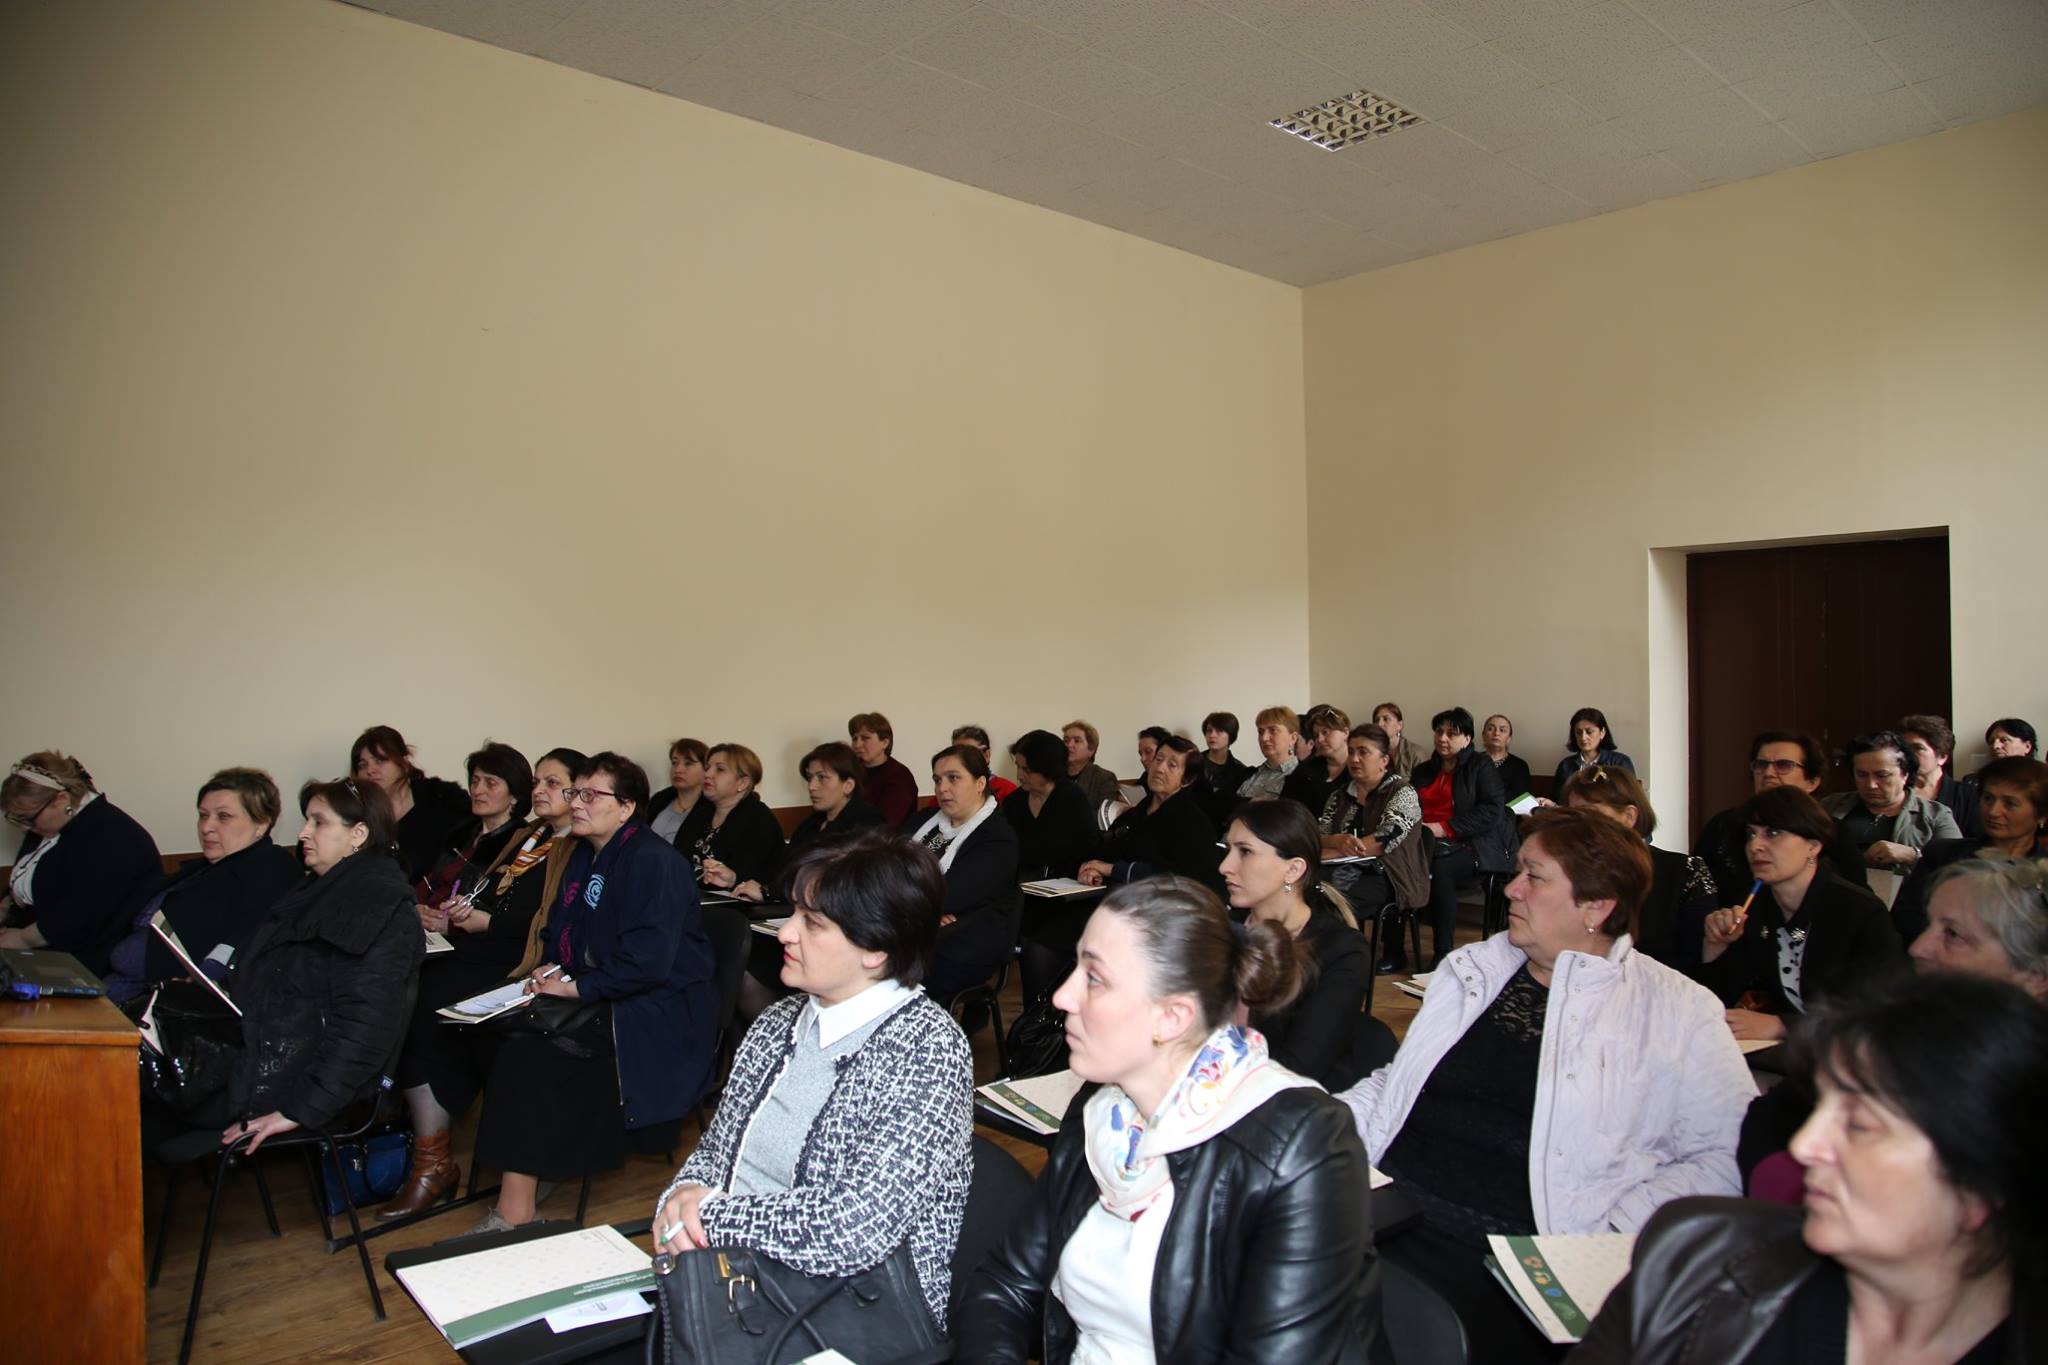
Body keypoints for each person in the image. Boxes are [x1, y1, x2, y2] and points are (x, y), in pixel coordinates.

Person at [1340, 808, 1754, 1365]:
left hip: (1520, 1253)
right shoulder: (1472, 970)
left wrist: (1610, 1225)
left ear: (1596, 906)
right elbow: (1398, 1085)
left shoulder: (1676, 1010)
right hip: (1390, 1210)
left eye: (1533, 877)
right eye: (1518, 872)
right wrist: (1322, 1126)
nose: (1512, 888)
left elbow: (1722, 1156)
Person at [956, 878, 1379, 1363]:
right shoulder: (1104, 1105)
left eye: (1094, 978)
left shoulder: (1302, 1148)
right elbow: (1007, 1284)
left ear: (1172, 1017)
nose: (1063, 997)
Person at [1571, 974, 2044, 1365]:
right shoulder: (1691, 1263)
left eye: (1858, 1124)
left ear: (1981, 1184)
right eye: (1819, 1108)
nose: (1804, 1146)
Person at [651, 831, 973, 1334]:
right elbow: (717, 1151)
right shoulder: (777, 1022)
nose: (785, 933)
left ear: (876, 948)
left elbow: (855, 1228)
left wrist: (710, 1217)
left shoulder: (927, 1048)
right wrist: (682, 1194)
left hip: (856, 1315)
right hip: (735, 1282)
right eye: (794, 914)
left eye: (812, 923)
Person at [471, 752, 718, 1232]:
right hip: (606, 989)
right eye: (574, 793)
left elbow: (648, 963)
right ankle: (534, 1166)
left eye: (589, 795)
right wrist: (551, 968)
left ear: (626, 807)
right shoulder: (584, 853)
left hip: (656, 1009)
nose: (576, 804)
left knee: (529, 1051)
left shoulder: (654, 862)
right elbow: (561, 928)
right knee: (498, 1032)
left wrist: (578, 987)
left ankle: (516, 1212)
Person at [1737, 855, 2048, 1193]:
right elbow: (1770, 1117)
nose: (1918, 948)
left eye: (1953, 934)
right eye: (1928, 926)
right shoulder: (1895, 1037)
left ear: (2035, 976)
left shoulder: (2019, 1095)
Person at [151, 777, 421, 1154]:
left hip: (282, 1081)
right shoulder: (316, 890)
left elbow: (363, 1027)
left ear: (358, 834)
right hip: (261, 1053)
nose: (303, 833)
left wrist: (300, 1109)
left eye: (318, 822)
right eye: (307, 820)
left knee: (129, 1096)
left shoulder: (376, 907)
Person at [377, 747, 586, 1221]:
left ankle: (433, 1161)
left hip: (523, 963)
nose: (539, 791)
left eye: (552, 783)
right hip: (484, 948)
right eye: (538, 781)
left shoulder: (579, 845)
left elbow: (553, 923)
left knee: (427, 1001)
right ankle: (426, 1150)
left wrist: (488, 923)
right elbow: (493, 892)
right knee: (408, 982)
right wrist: (463, 914)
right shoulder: (532, 836)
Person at [1700, 787, 1905, 1042]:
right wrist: (1715, 948)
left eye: (1773, 833)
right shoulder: (1753, 905)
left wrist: (1785, 1026)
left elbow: (1882, 1013)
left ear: (1813, 846)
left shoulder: (1861, 911)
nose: (1755, 846)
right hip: (1787, 1053)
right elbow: (1718, 1002)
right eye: (1751, 834)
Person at [101, 768, 299, 1005]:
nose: (206, 827)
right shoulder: (204, 868)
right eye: (203, 815)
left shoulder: (273, 869)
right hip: (119, 988)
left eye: (223, 817)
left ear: (261, 824)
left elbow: (243, 943)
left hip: (161, 1005)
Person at [1220, 801, 1372, 1089]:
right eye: (1227, 850)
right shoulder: (1221, 927)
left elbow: (1300, 1067)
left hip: (1272, 1100)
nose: (1224, 866)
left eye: (1245, 852)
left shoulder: (1340, 951)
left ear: (1293, 869)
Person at [0, 750, 162, 974]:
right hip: (37, 944)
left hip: (84, 962)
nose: (24, 828)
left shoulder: (113, 837)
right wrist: (5, 907)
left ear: (62, 799)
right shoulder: (50, 824)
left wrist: (22, 939)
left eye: (28, 818)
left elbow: (80, 919)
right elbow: (30, 877)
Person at [1563, 765, 1718, 970]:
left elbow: (1700, 962)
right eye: (1573, 817)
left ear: (1629, 816)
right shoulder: (1567, 874)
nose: (1578, 827)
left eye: (1591, 814)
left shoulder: (1684, 872)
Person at [1693, 730, 1869, 904]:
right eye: (1761, 765)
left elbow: (1856, 898)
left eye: (1784, 765)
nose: (1768, 773)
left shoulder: (1832, 830)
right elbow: (1695, 888)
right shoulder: (1724, 824)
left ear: (1812, 782)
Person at [1889, 757, 2048, 943]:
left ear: (2041, 815)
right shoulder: (1942, 854)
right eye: (1988, 799)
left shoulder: (2043, 872)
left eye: (2010, 803)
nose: (1993, 811)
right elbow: (1905, 920)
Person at [907, 744, 1021, 1002]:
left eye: (953, 778)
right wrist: (928, 915)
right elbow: (882, 869)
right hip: (917, 927)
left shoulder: (997, 837)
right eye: (937, 780)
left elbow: (948, 895)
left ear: (980, 783)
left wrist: (922, 909)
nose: (942, 788)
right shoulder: (925, 820)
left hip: (965, 941)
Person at [1406, 707, 1516, 969]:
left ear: (1467, 738)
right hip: (1426, 842)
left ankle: (1443, 952)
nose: (1443, 738)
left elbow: (1491, 811)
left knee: (1440, 868)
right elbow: (1408, 806)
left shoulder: (1480, 766)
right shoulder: (1423, 771)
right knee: (1394, 862)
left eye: (1452, 733)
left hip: (1472, 844)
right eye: (1439, 732)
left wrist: (1445, 828)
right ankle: (1393, 949)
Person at [1316, 724, 1430, 972]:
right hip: (1343, 868)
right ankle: (1323, 956)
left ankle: (1345, 961)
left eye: (1363, 752)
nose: (1354, 759)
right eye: (1351, 751)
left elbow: (1383, 841)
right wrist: (1337, 841)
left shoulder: (1403, 792)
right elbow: (1319, 837)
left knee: (1335, 895)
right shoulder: (1340, 795)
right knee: (1309, 888)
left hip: (1391, 875)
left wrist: (1337, 849)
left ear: (1384, 760)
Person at [1079, 735, 1222, 892]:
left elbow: (1177, 876)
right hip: (1121, 894)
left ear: (1187, 780)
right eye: (1158, 759)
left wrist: (1110, 869)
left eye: (1172, 765)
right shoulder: (1136, 813)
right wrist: (1091, 868)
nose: (1160, 768)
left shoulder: (1193, 822)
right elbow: (1105, 849)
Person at [410, 740, 532, 909]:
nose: (477, 790)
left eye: (490, 783)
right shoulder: (463, 830)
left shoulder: (520, 843)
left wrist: (449, 920)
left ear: (515, 795)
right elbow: (429, 883)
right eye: (475, 781)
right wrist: (417, 908)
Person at [1821, 730, 1961, 873]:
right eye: (1862, 775)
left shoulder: (1936, 815)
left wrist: (1914, 855)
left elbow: (1960, 865)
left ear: (1905, 774)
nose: (1871, 784)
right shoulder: (1830, 806)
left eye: (1882, 775)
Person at [350, 726, 470, 880]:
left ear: (404, 763)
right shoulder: (355, 818)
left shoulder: (442, 798)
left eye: (380, 761)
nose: (370, 770)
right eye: (362, 765)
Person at [690, 743, 787, 901]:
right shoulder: (702, 811)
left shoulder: (758, 819)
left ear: (742, 783)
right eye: (707, 768)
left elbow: (753, 877)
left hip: (738, 904)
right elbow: (678, 856)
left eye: (720, 769)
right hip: (696, 897)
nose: (707, 774)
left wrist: (731, 878)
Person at [1003, 729, 1095, 881]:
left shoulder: (1072, 799)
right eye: (1018, 766)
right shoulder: (1013, 802)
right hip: (1020, 883)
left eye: (1027, 770)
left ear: (1047, 769)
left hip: (1065, 883)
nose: (1019, 775)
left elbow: (1087, 850)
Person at [781, 742, 887, 867]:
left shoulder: (868, 822)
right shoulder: (809, 824)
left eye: (822, 777)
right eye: (810, 778)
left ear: (848, 785)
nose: (811, 786)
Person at [1901, 713, 1980, 838]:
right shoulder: (1896, 792)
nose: (1907, 754)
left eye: (1918, 748)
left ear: (1942, 757)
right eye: (1904, 748)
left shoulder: (1968, 796)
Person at [1279, 705, 1350, 817]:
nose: (1320, 740)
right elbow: (1286, 808)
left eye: (1325, 732)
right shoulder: (1305, 770)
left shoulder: (1358, 768)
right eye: (1316, 735)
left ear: (1345, 732)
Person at [850, 711, 918, 824]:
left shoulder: (899, 775)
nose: (857, 745)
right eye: (854, 739)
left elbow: (888, 822)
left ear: (885, 743)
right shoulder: (851, 771)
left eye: (865, 738)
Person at [643, 738, 710, 848]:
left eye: (688, 764)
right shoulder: (659, 799)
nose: (678, 769)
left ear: (706, 769)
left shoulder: (711, 808)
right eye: (674, 763)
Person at [1551, 706, 1635, 792]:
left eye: (1589, 732)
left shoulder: (1620, 762)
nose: (1583, 738)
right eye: (1578, 732)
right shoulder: (1566, 765)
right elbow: (1558, 797)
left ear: (1602, 733)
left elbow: (1629, 796)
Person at [1193, 710, 1251, 821]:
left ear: (1231, 736)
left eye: (1219, 731)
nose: (1212, 735)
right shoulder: (1193, 761)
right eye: (1209, 730)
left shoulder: (1240, 771)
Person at [1235, 705, 1300, 800]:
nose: (1264, 738)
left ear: (1293, 738)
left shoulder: (1303, 777)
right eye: (1260, 732)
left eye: (1273, 730)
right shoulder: (1248, 773)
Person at [1062, 720, 1122, 809]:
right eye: (1066, 740)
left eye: (1077, 741)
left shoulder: (1103, 778)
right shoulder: (1054, 774)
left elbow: (1102, 814)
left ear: (1091, 750)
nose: (1069, 745)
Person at [952, 725, 1018, 801]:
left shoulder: (1007, 790)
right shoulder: (947, 789)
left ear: (987, 755)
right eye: (955, 753)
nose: (962, 759)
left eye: (970, 753)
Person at [1480, 712, 1532, 804]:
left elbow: (1519, 799)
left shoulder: (1519, 766)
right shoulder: (1472, 761)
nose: (1496, 733)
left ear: (1509, 738)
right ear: (1483, 735)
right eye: (1491, 729)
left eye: (1502, 730)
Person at [1372, 701, 1421, 780]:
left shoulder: (1415, 754)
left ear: (1399, 725)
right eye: (1377, 720)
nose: (1379, 724)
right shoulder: (1371, 752)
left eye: (1386, 719)